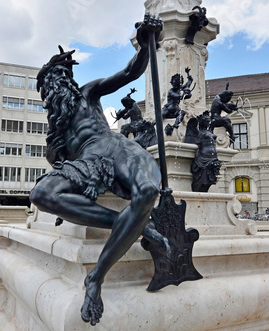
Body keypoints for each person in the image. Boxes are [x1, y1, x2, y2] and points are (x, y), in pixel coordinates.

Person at [30, 14, 166, 326]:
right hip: (87, 163)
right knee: (42, 193)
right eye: (47, 87)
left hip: (116, 147)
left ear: (65, 80)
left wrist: (147, 43)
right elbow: (59, 168)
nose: (51, 89)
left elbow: (131, 72)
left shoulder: (87, 93)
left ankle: (103, 267)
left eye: (55, 80)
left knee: (147, 191)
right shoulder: (56, 133)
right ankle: (131, 230)